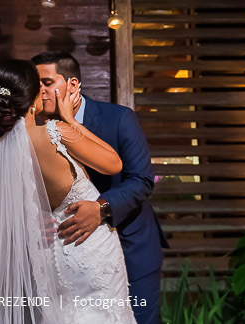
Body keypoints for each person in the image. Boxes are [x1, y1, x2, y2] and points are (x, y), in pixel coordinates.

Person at [0, 59, 137, 324]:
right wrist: (71, 120)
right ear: (31, 98)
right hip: (90, 251)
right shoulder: (56, 132)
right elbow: (113, 163)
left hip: (49, 257)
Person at [31, 51, 168, 324]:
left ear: (72, 85)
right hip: (74, 257)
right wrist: (36, 219)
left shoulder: (118, 118)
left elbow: (141, 179)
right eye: (35, 85)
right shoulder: (34, 129)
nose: (40, 91)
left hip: (131, 248)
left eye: (47, 83)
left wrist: (101, 208)